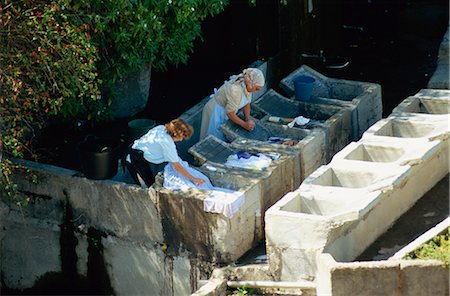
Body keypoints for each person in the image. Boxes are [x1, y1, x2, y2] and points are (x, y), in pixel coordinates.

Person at [125, 118, 205, 188]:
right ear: (177, 134)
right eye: (182, 137)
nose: (181, 140)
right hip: (135, 159)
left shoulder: (161, 128)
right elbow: (177, 166)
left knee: (150, 183)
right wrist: (194, 179)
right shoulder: (167, 142)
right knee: (148, 187)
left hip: (135, 150)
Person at [199, 68, 265, 141]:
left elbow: (247, 103)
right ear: (251, 84)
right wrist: (244, 125)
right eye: (257, 88)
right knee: (212, 137)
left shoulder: (247, 85)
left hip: (226, 111)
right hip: (215, 111)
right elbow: (230, 113)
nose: (257, 91)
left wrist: (247, 118)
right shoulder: (235, 90)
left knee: (222, 135)